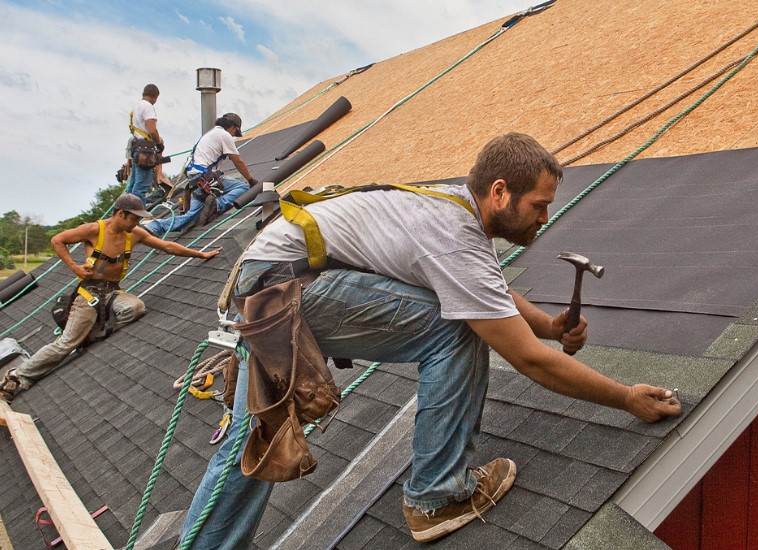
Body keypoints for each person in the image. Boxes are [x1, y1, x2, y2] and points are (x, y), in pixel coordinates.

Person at [179, 132, 682, 546]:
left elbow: (489, 288)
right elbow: (532, 362)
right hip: (285, 291)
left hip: (270, 285)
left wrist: (548, 326)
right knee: (457, 327)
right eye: (539, 205)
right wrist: (624, 398)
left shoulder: (453, 212)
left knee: (258, 434)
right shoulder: (452, 236)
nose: (544, 219)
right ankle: (436, 497)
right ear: (501, 192)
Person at [0, 194, 221, 403]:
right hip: (88, 294)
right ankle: (16, 376)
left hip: (112, 292)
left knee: (135, 307)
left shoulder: (135, 234)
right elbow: (58, 240)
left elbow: (167, 246)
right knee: (65, 344)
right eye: (133, 217)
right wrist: (75, 267)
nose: (136, 222)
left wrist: (201, 254)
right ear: (120, 214)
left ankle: (92, 333)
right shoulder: (95, 230)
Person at [143, 113, 259, 237]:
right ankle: (217, 205)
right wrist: (251, 180)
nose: (233, 136)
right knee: (244, 188)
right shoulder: (225, 135)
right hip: (206, 177)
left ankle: (154, 226)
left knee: (192, 217)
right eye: (234, 133)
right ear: (234, 127)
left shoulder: (210, 134)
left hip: (197, 179)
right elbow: (237, 161)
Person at [125, 83, 165, 205]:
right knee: (141, 186)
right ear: (155, 96)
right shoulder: (147, 107)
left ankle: (126, 207)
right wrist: (159, 143)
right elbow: (152, 129)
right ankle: (137, 213)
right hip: (145, 150)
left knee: (133, 184)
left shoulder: (136, 107)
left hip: (137, 147)